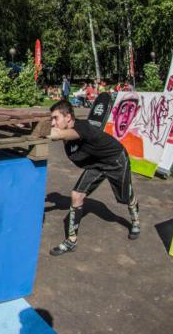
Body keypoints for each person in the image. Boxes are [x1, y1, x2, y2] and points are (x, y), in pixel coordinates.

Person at [47, 99, 141, 256]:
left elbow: (60, 134)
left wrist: (40, 132)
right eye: (51, 119)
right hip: (96, 164)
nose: (52, 123)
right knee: (76, 195)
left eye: (55, 118)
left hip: (115, 160)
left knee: (125, 196)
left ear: (68, 117)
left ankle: (136, 221)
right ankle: (71, 241)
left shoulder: (81, 128)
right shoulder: (67, 130)